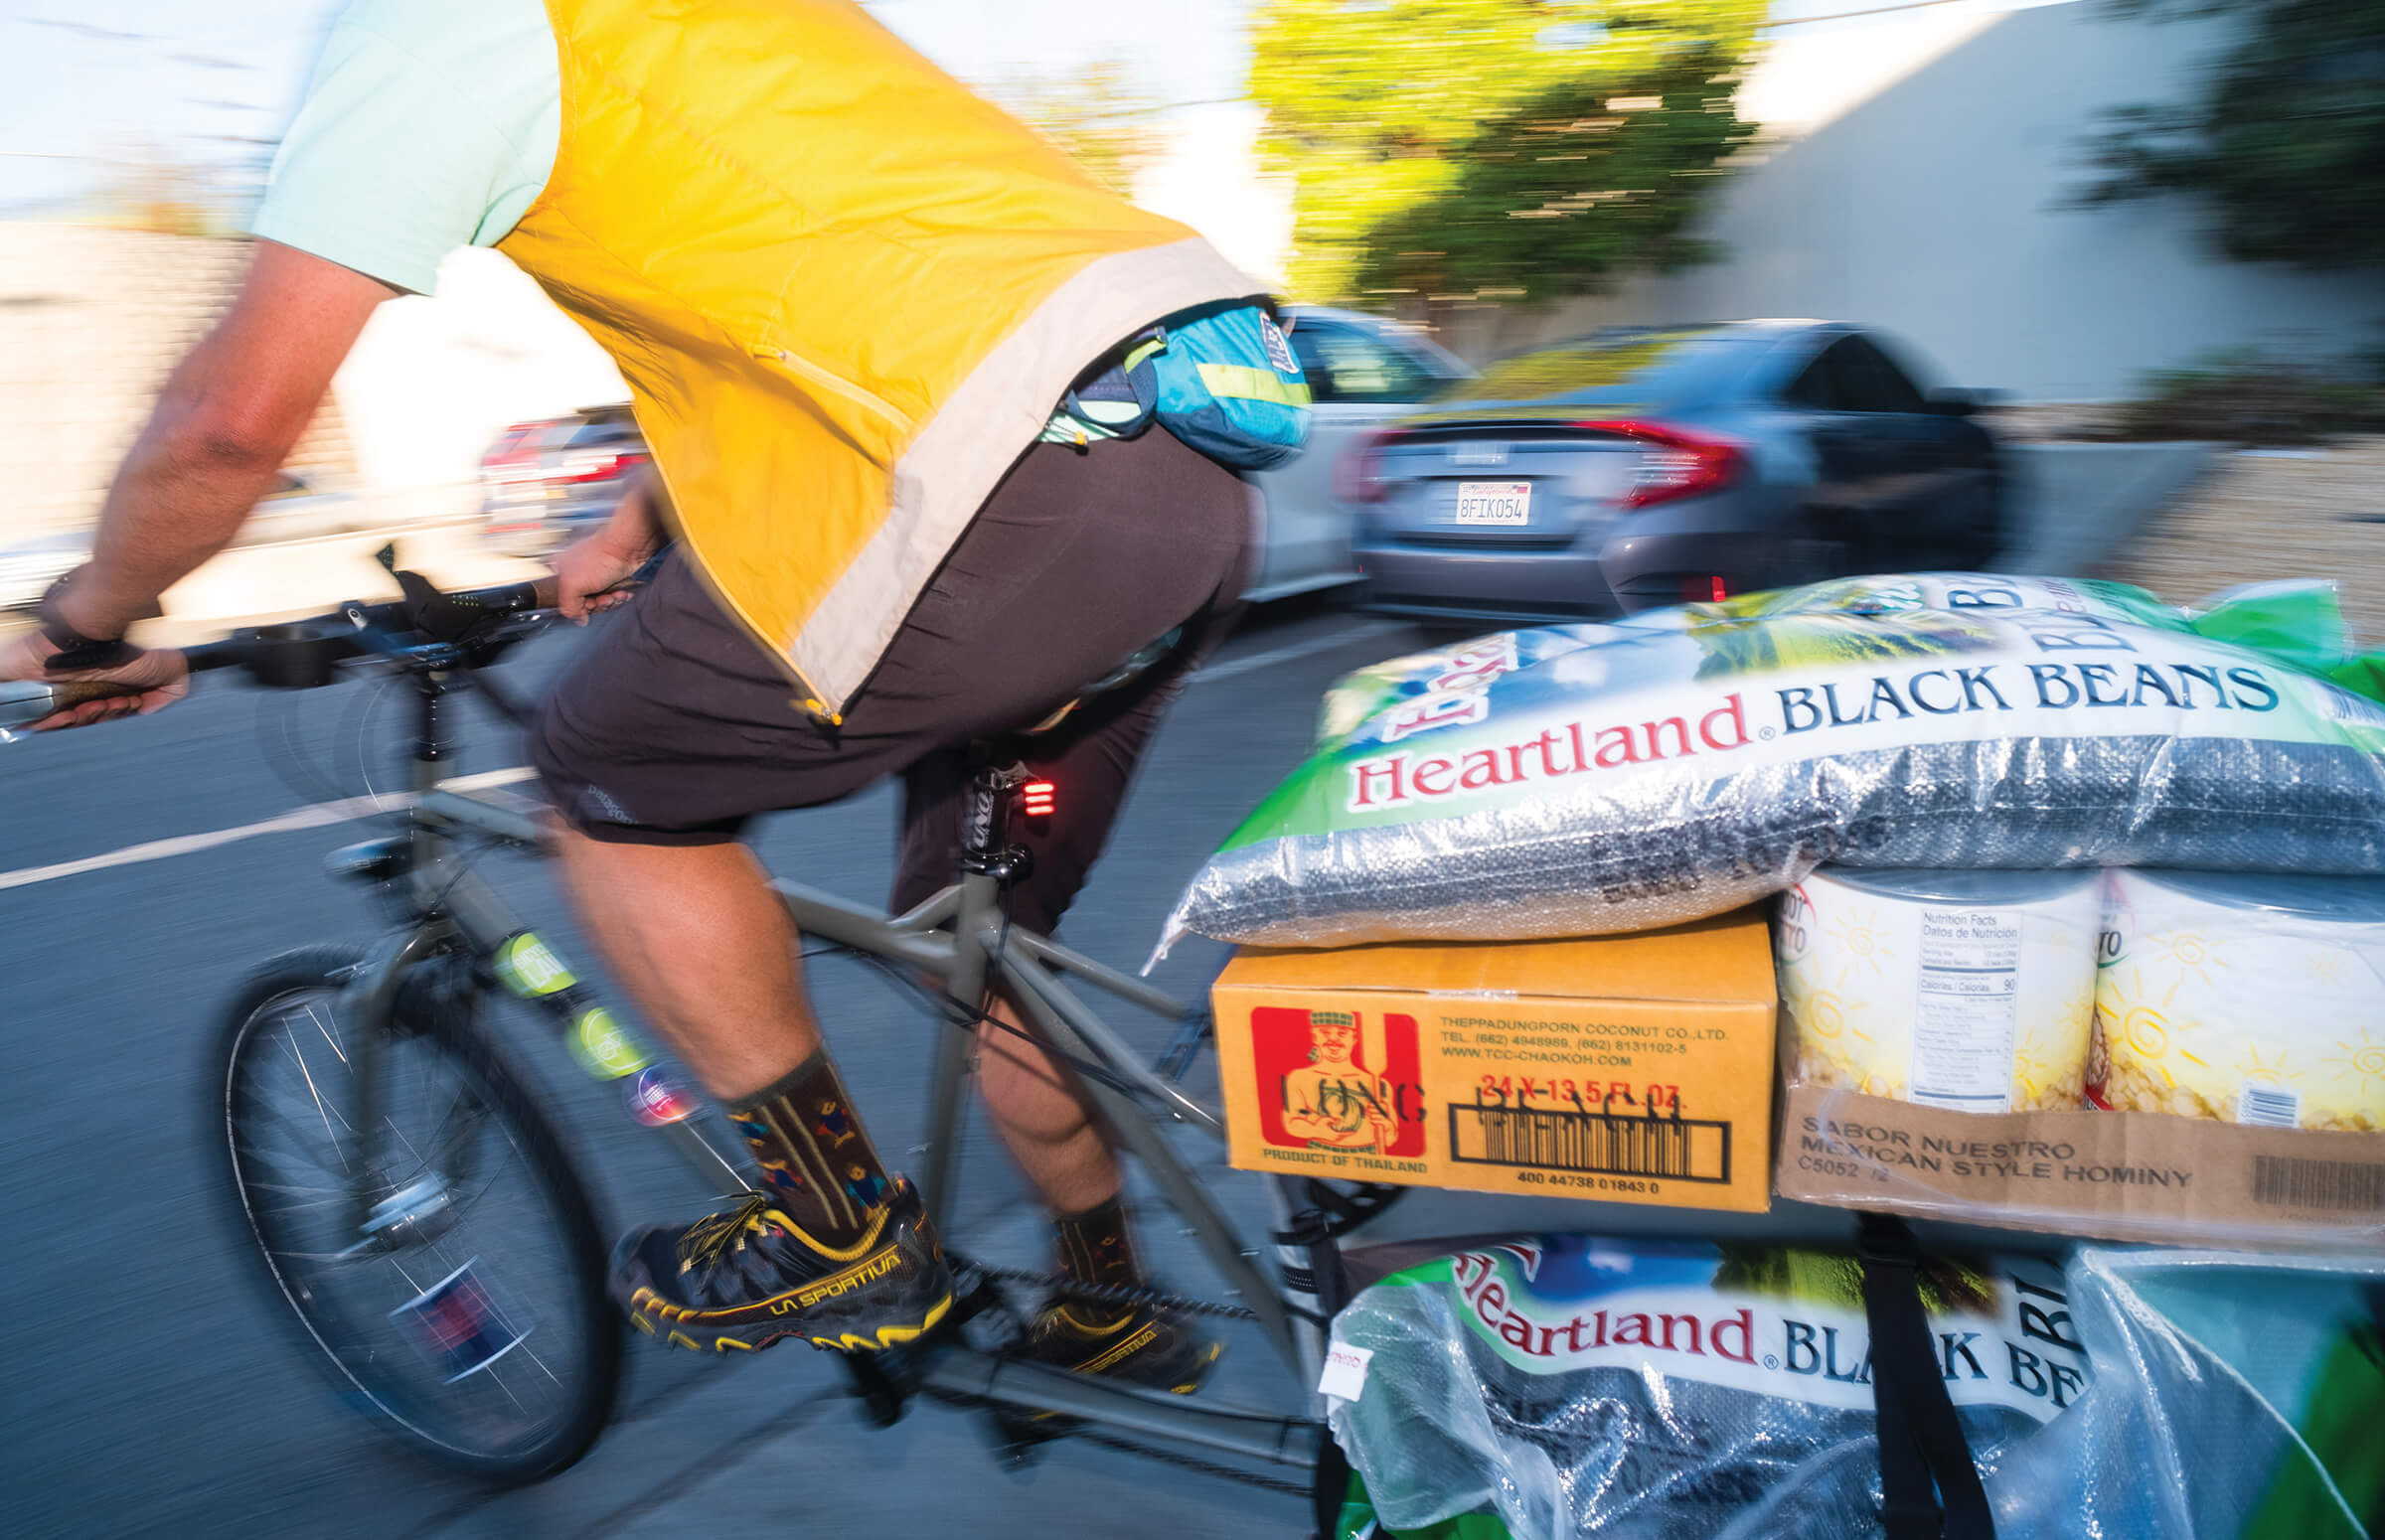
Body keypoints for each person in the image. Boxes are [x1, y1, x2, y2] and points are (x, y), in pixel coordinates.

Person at [0, 0, 1279, 1392]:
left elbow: (229, 422)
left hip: (998, 494)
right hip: (1182, 482)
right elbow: (860, 295)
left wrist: (86, 622)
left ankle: (838, 1228)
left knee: (603, 771)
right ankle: (1111, 1310)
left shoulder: (437, 29)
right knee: (975, 950)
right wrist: (636, 519)